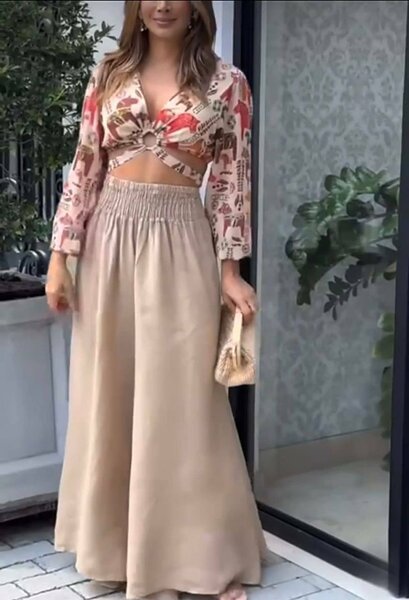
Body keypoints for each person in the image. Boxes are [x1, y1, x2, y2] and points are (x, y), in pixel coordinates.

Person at [45, 1, 268, 599]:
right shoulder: (109, 73)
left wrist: (230, 271)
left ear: (197, 8)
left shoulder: (228, 83)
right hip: (108, 239)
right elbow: (85, 167)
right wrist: (60, 257)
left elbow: (231, 182)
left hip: (181, 239)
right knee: (111, 391)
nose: (163, 4)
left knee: (184, 400)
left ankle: (197, 558)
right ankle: (118, 551)